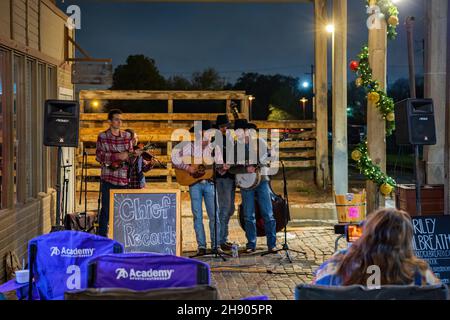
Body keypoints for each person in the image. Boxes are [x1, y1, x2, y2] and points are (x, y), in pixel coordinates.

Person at [313, 208, 441, 286]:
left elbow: (310, 292)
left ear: (365, 235)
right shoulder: (421, 275)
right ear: (405, 242)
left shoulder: (334, 270)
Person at [172, 120, 224, 256]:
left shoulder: (214, 148)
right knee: (197, 216)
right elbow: (175, 159)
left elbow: (220, 168)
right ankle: (201, 246)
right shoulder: (188, 146)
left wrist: (223, 167)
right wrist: (188, 167)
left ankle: (216, 245)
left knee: (214, 215)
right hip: (194, 184)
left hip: (210, 183)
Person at [230, 119, 278, 254]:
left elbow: (271, 158)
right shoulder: (235, 147)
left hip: (261, 181)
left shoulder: (259, 143)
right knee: (248, 215)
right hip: (245, 184)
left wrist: (271, 156)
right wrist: (246, 168)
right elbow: (231, 169)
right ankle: (251, 244)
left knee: (268, 213)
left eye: (241, 130)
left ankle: (271, 244)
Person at [95, 109, 142, 236]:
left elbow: (131, 159)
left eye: (121, 119)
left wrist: (135, 155)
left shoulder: (127, 136)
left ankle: (122, 237)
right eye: (116, 119)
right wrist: (116, 156)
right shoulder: (102, 136)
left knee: (124, 211)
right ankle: (102, 238)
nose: (120, 122)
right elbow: (99, 156)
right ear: (110, 121)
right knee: (106, 210)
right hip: (108, 178)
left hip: (123, 179)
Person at [214, 114, 236, 252]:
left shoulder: (230, 140)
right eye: (222, 126)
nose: (224, 128)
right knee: (224, 208)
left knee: (229, 208)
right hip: (222, 177)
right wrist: (221, 166)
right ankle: (221, 240)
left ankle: (223, 238)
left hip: (230, 176)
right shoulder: (215, 140)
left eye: (226, 126)